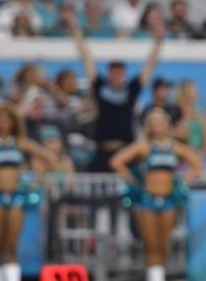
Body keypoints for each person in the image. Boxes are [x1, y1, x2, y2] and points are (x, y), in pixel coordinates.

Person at [110, 108, 202, 281]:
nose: (156, 125)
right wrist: (134, 179)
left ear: (167, 125)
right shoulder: (143, 147)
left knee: (164, 243)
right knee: (151, 244)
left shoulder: (174, 147)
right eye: (152, 122)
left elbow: (196, 163)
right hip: (147, 199)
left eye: (160, 121)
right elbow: (117, 161)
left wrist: (183, 182)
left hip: (169, 199)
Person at [70, 12, 164, 173]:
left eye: (120, 72)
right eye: (113, 72)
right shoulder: (100, 87)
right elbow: (86, 59)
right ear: (108, 73)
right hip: (102, 150)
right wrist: (76, 32)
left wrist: (158, 42)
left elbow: (150, 65)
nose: (116, 76)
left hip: (126, 150)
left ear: (124, 73)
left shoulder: (132, 89)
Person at [0, 105, 54, 281]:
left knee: (12, 245)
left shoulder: (21, 143)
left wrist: (35, 177)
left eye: (7, 120)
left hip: (16, 196)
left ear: (13, 123)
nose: (3, 124)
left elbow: (49, 158)